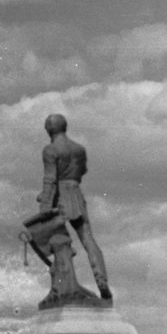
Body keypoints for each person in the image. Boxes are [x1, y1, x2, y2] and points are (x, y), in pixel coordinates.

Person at [30, 113, 112, 302]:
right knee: (88, 240)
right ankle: (101, 280)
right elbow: (80, 172)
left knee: (56, 241)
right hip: (76, 194)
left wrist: (44, 206)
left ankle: (64, 285)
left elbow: (50, 179)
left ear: (49, 129)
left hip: (60, 197)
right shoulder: (79, 149)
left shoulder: (50, 150)